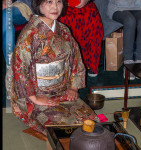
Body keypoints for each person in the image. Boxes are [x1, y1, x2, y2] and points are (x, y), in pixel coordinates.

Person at [5, 0, 99, 135]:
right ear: (38, 4)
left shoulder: (64, 30)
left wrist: (73, 88)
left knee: (91, 122)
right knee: (62, 129)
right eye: (49, 2)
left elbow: (75, 59)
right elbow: (20, 70)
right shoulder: (29, 34)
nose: (55, 7)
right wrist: (36, 99)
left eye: (58, 2)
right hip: (36, 94)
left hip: (63, 92)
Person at [3, 0, 103, 77]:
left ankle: (84, 65)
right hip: (31, 4)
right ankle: (12, 68)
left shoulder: (63, 28)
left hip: (63, 4)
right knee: (6, 15)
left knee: (88, 18)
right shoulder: (27, 35)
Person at [59, 0, 103, 77]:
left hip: (86, 6)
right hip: (63, 7)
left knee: (93, 19)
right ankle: (69, 65)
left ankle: (91, 64)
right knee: (64, 21)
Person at [107, 0, 141, 65]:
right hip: (118, 8)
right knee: (130, 20)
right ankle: (128, 58)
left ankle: (140, 58)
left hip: (139, 7)